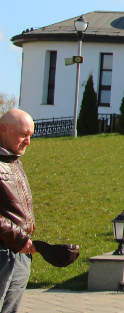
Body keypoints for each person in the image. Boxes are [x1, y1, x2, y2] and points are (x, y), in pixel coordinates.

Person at [0, 109, 35, 313]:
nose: (28, 141)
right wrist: (18, 239)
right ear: (3, 129)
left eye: (31, 135)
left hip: (20, 253)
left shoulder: (14, 162)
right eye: (24, 134)